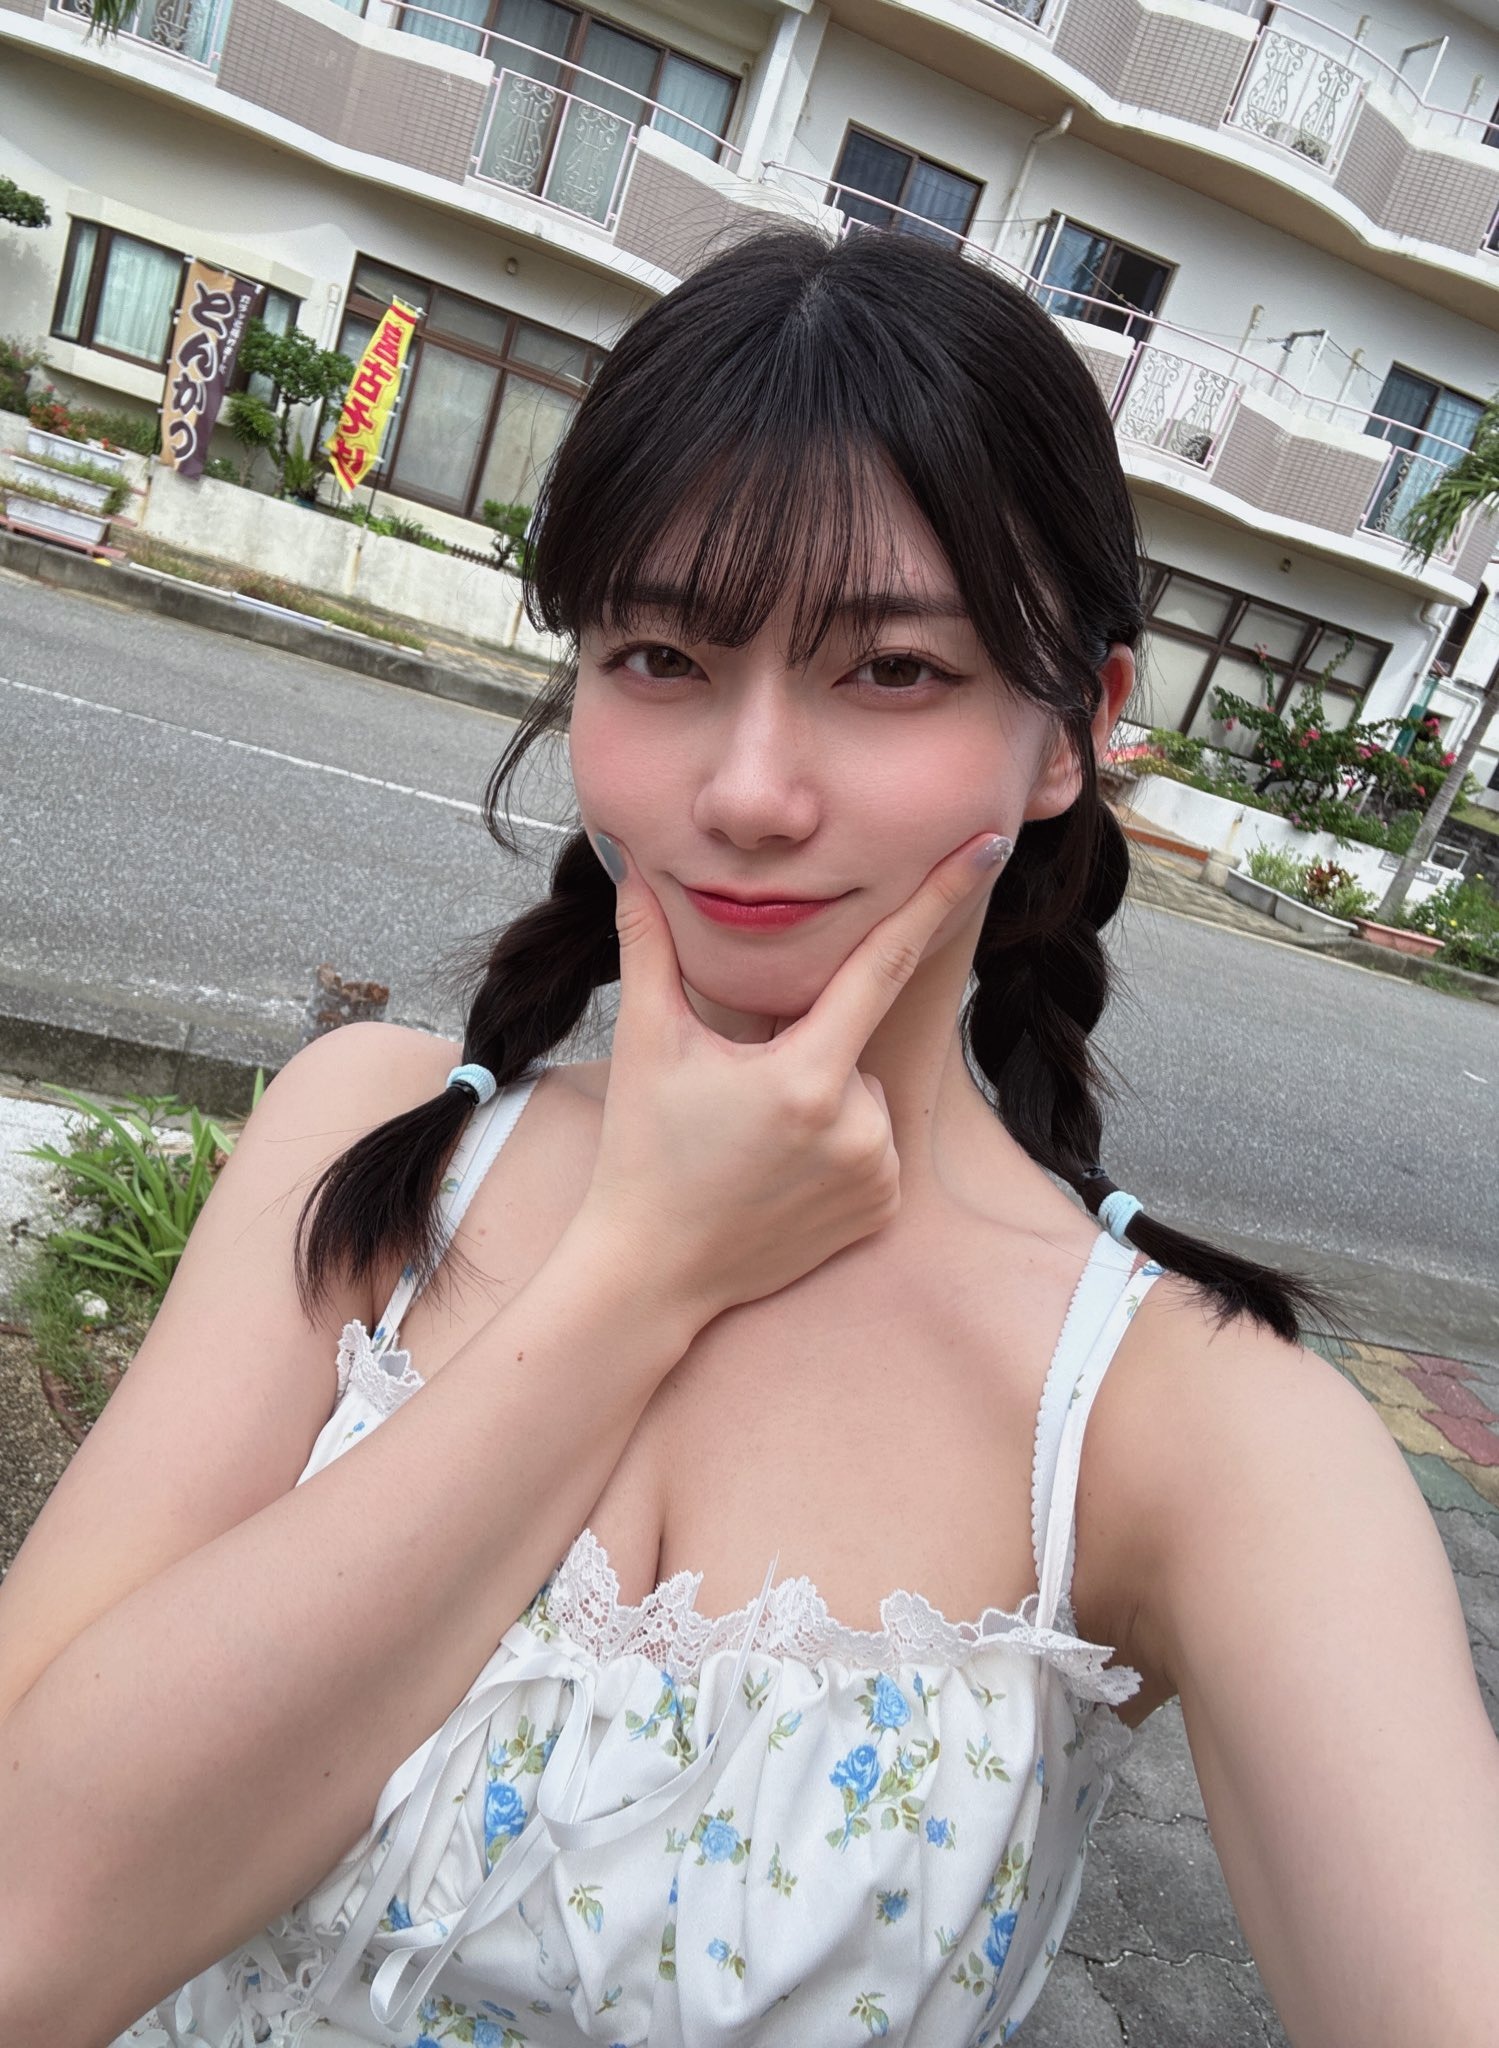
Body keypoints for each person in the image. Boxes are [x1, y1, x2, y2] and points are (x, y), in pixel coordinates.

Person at [1, 224, 1494, 2048]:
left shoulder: (1184, 1421)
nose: (750, 791)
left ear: (1072, 732)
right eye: (660, 655)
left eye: (893, 671)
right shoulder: (376, 1139)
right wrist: (641, 1273)